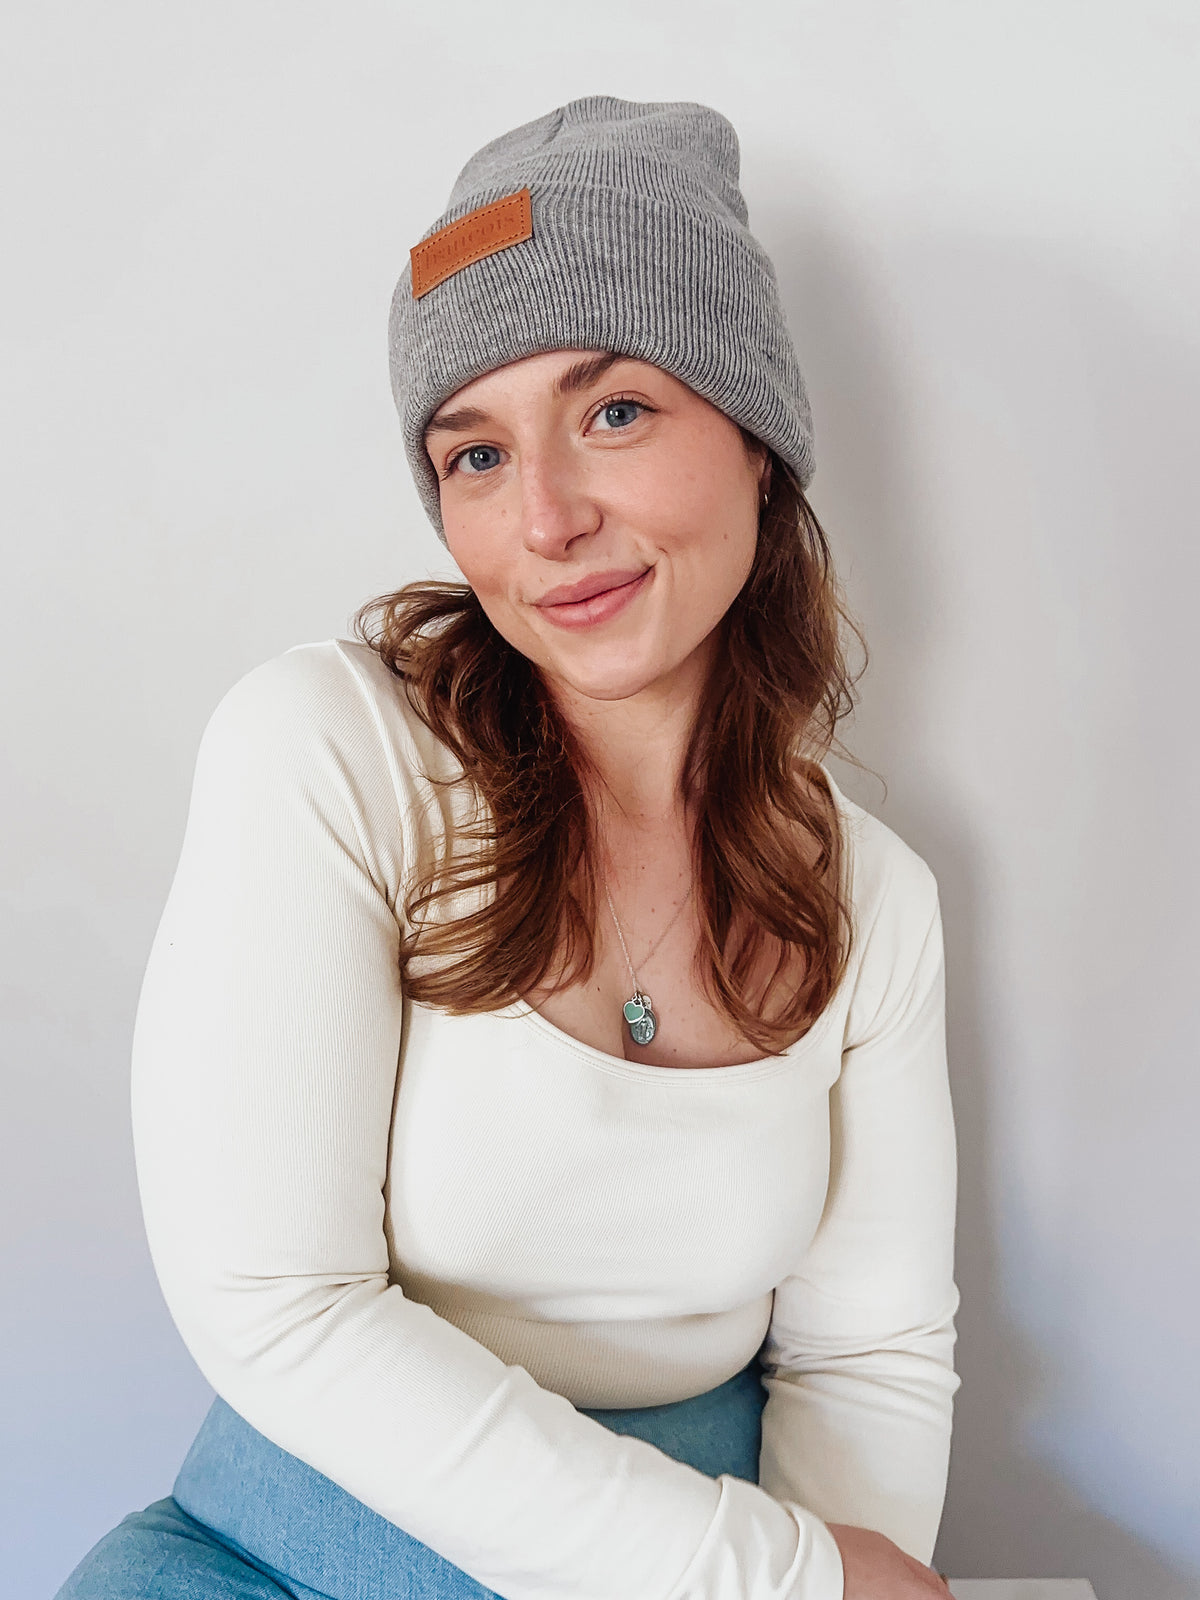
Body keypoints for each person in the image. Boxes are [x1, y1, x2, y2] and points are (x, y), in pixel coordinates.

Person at [56, 95, 960, 1600]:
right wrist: (774, 1578)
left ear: (757, 441)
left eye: (613, 413)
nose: (544, 518)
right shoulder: (331, 752)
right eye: (473, 456)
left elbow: (868, 1353)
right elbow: (279, 1306)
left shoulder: (879, 901)